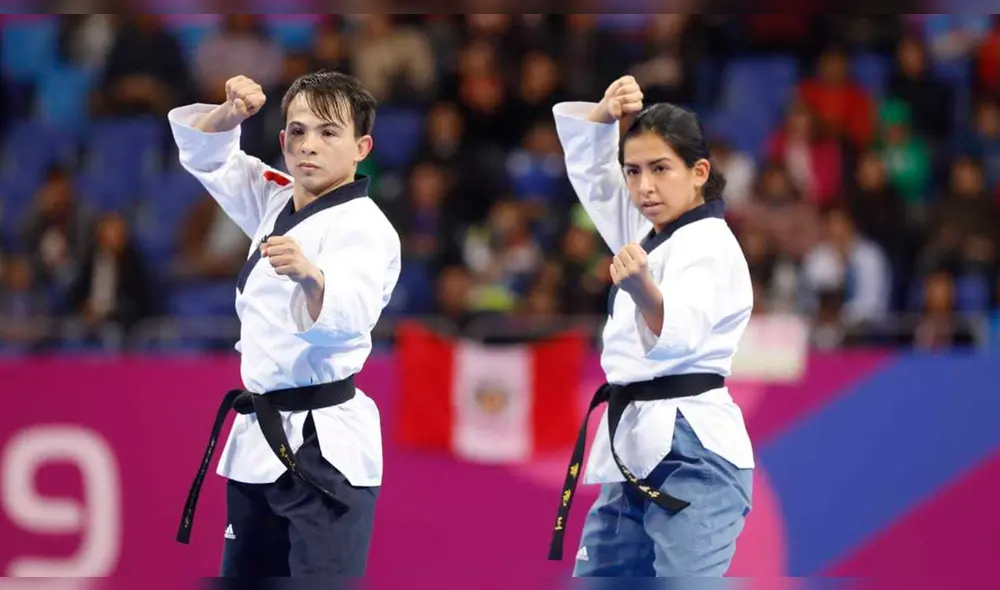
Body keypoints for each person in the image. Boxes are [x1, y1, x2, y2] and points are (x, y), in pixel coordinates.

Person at [168, 71, 401, 578]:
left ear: (361, 148)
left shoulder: (367, 228)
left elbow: (354, 315)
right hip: (259, 440)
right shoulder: (277, 199)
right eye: (297, 131)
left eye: (328, 132)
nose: (308, 145)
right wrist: (229, 114)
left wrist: (312, 278)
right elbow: (210, 159)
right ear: (281, 140)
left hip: (324, 448)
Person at [547, 75, 755, 577]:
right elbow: (596, 182)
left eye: (660, 169)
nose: (644, 186)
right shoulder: (649, 231)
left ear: (699, 172)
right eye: (633, 171)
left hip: (694, 452)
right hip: (632, 449)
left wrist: (643, 289)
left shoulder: (713, 244)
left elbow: (681, 334)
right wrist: (603, 115)